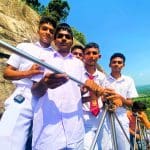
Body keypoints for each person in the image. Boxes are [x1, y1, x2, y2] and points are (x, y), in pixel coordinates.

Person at [31, 23, 106, 150]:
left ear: (71, 41)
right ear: (54, 40)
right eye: (60, 36)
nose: (64, 38)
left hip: (74, 129)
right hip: (48, 129)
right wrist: (44, 83)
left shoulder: (78, 64)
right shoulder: (42, 59)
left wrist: (93, 89)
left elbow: (78, 92)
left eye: (67, 36)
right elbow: (35, 92)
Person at [0, 16, 56, 150]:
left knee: (42, 144)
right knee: (8, 140)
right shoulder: (24, 47)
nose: (47, 32)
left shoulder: (56, 56)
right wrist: (28, 73)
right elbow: (7, 73)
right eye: (44, 29)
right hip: (23, 96)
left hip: (45, 99)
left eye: (51, 31)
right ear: (38, 30)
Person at [98, 52, 138, 150]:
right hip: (104, 115)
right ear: (109, 64)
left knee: (123, 145)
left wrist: (120, 98)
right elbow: (98, 99)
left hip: (121, 115)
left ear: (123, 65)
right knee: (106, 145)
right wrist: (105, 99)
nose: (116, 64)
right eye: (114, 62)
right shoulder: (103, 79)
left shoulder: (129, 80)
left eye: (119, 62)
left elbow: (130, 103)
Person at [81, 42, 105, 150]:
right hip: (83, 115)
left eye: (94, 53)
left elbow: (103, 95)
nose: (91, 56)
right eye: (88, 53)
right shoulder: (78, 73)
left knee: (102, 146)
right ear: (83, 56)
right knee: (89, 147)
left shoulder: (102, 77)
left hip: (99, 115)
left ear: (99, 56)